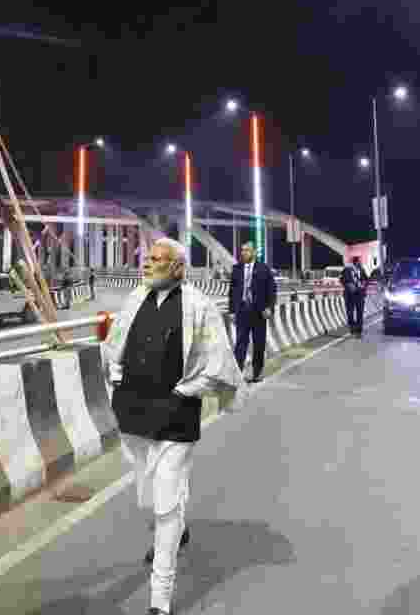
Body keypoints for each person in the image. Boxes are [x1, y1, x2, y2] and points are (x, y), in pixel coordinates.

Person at [102, 237, 246, 615]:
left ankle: (159, 599)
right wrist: (115, 375)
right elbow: (113, 344)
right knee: (147, 497)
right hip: (132, 412)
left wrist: (188, 391)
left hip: (176, 415)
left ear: (179, 268)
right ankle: (178, 528)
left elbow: (218, 361)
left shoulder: (199, 306)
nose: (147, 265)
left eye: (157, 260)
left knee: (165, 502)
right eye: (147, 259)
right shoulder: (134, 299)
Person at [228, 242, 277, 383]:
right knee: (240, 344)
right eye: (242, 250)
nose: (243, 253)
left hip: (259, 312)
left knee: (259, 343)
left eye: (247, 250)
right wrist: (232, 311)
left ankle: (257, 372)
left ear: (254, 252)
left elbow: (272, 290)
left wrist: (270, 307)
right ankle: (237, 374)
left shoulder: (264, 268)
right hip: (242, 311)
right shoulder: (236, 268)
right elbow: (232, 292)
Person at [340, 256, 369, 336]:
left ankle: (359, 330)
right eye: (359, 262)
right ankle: (352, 328)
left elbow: (366, 280)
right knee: (350, 312)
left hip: (360, 294)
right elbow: (342, 280)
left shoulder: (362, 270)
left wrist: (364, 285)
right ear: (356, 262)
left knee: (360, 312)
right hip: (350, 295)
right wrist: (348, 285)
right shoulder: (347, 270)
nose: (361, 263)